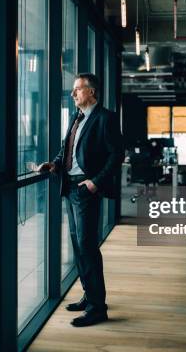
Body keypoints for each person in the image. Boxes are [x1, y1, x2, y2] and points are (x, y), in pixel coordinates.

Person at [38, 73, 124, 327]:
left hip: (86, 190)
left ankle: (98, 308)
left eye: (78, 89)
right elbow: (67, 150)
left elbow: (117, 154)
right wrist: (53, 164)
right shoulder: (77, 118)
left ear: (92, 92)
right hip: (70, 187)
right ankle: (89, 296)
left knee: (87, 247)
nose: (73, 94)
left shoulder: (105, 118)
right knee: (78, 246)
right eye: (74, 90)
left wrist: (95, 182)